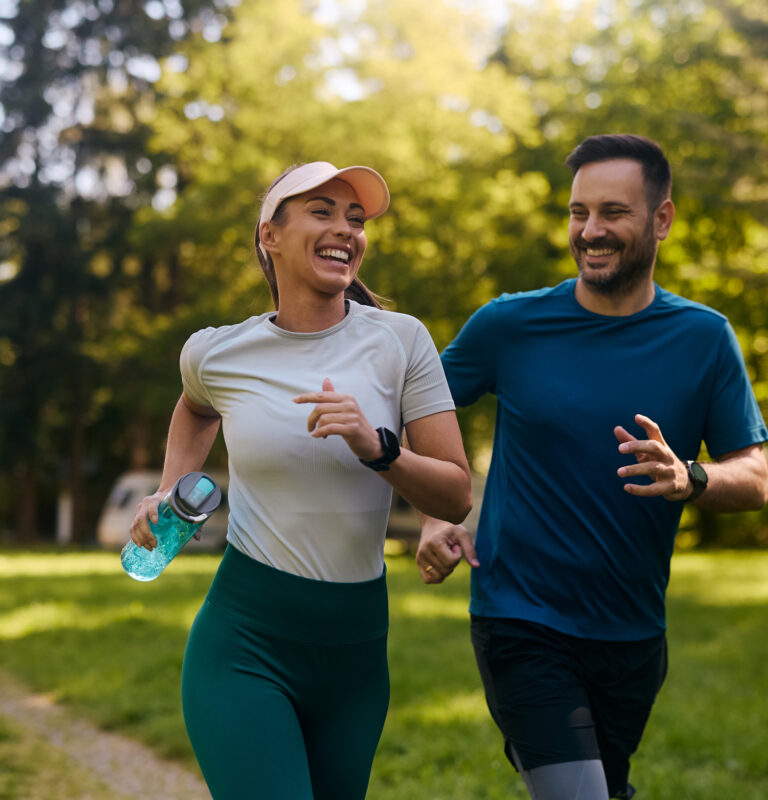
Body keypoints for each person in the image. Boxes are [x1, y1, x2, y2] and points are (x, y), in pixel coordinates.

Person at [416, 134, 768, 800]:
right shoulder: (509, 325)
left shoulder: (704, 338)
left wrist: (690, 477)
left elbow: (755, 477)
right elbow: (417, 407)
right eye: (579, 213)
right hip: (520, 617)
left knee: (607, 788)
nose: (590, 230)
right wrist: (437, 513)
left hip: (632, 632)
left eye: (613, 212)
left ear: (662, 219)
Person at [129, 161, 472, 800]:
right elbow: (196, 407)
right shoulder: (216, 352)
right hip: (245, 644)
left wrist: (378, 448)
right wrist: (170, 487)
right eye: (322, 211)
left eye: (356, 219)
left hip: (355, 655)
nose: (346, 229)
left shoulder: (402, 342)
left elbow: (455, 493)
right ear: (271, 236)